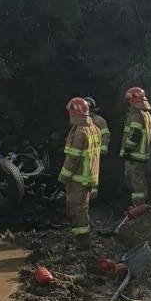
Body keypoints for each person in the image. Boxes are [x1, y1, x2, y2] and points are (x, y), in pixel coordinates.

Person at [59, 97, 101, 245]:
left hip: (78, 178)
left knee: (78, 209)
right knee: (82, 208)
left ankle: (82, 242)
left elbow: (73, 158)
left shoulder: (79, 132)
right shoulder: (94, 129)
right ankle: (81, 238)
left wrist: (63, 177)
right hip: (89, 176)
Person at [121, 87, 151, 205]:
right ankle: (139, 206)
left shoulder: (136, 115)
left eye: (129, 100)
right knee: (139, 180)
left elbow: (135, 134)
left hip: (135, 155)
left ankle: (138, 207)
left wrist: (127, 150)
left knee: (136, 183)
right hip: (143, 153)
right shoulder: (147, 115)